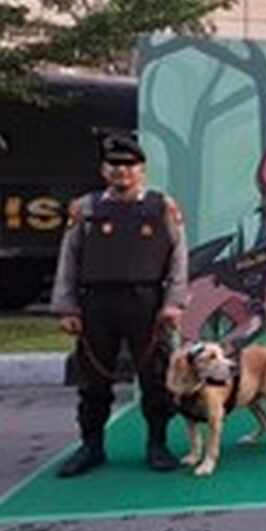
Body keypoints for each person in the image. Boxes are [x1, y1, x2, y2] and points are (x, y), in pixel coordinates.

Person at [49, 132, 186, 477]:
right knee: (92, 380)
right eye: (115, 165)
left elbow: (178, 258)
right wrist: (67, 307)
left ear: (142, 170)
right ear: (103, 170)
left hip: (147, 303)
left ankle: (158, 444)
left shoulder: (162, 207)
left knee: (155, 378)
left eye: (130, 166)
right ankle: (91, 447)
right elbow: (69, 258)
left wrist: (173, 304)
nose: (122, 172)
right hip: (97, 304)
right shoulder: (87, 208)